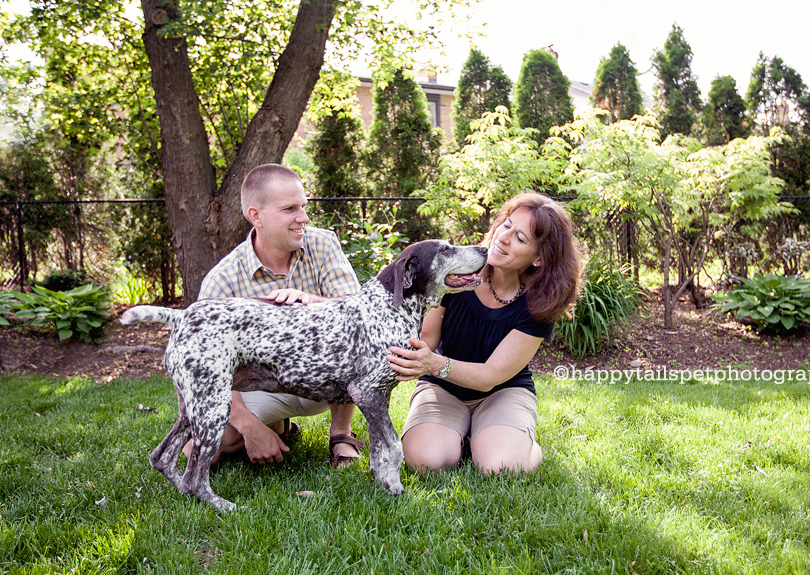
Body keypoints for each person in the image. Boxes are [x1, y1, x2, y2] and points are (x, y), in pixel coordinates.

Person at [387, 192, 582, 474]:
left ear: (538, 258)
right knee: (426, 462)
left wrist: (434, 363)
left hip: (502, 392)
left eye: (520, 238)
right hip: (442, 387)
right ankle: (467, 437)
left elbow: (490, 376)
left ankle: (515, 441)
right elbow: (428, 339)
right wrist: (412, 356)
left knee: (501, 467)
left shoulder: (541, 302)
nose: (503, 237)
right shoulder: (458, 270)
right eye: (507, 225)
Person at [190, 163, 364, 468]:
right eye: (290, 209)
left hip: (324, 382)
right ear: (255, 216)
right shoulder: (221, 282)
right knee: (203, 449)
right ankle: (275, 426)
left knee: (353, 337)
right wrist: (250, 427)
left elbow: (358, 315)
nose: (303, 218)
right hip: (261, 385)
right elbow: (206, 372)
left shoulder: (322, 244)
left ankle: (341, 435)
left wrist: (311, 302)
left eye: (303, 207)